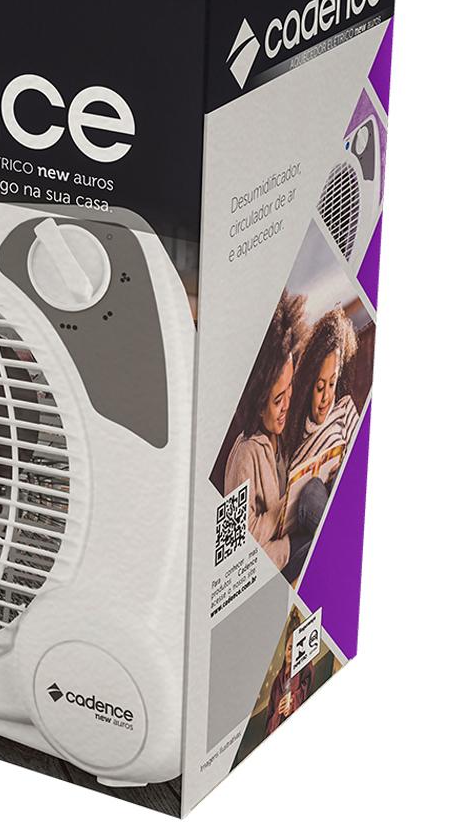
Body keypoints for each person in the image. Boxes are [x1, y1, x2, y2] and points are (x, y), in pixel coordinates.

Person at [224, 292, 306, 571]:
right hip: (275, 560)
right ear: (258, 404)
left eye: (290, 388)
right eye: (277, 399)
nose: (286, 405)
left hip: (291, 542)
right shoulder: (245, 455)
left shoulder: (281, 437)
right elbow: (235, 541)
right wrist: (286, 507)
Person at [280, 308, 360, 577]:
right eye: (320, 387)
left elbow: (360, 468)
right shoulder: (292, 435)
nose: (326, 397)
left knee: (320, 492)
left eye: (332, 384)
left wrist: (342, 473)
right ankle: (343, 553)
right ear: (308, 385)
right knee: (311, 491)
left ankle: (339, 553)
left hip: (336, 508)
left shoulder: (344, 409)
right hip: (303, 524)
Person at [265, 610, 315, 735]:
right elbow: (268, 725)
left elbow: (307, 689)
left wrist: (292, 701)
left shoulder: (305, 668)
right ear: (285, 647)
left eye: (296, 648)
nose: (292, 653)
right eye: (290, 648)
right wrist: (278, 711)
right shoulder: (277, 682)